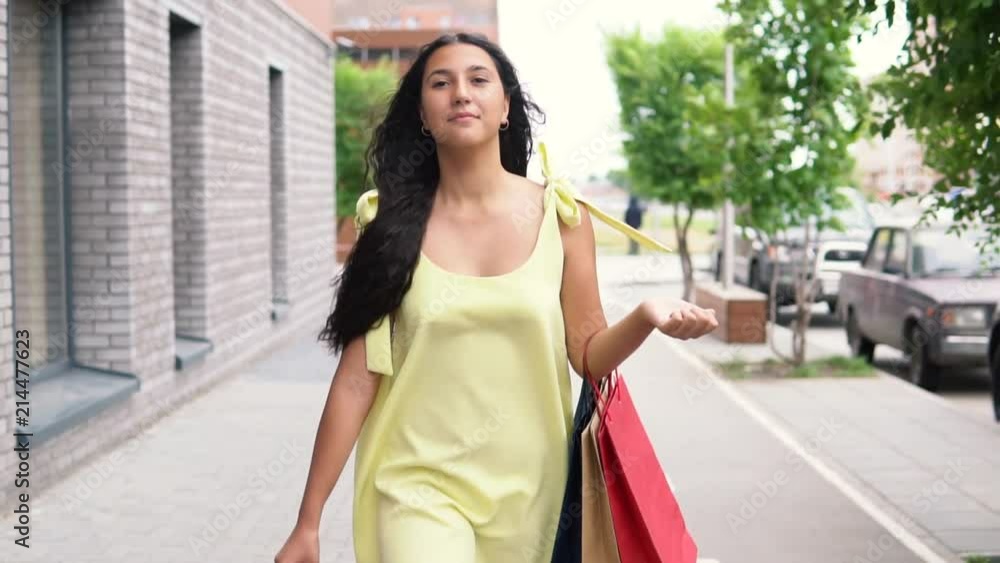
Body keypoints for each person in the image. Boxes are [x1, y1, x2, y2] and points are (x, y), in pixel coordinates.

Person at [275, 32, 718, 563]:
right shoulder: (390, 227)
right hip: (417, 485)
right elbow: (355, 377)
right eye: (441, 83)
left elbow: (587, 355)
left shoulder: (561, 218)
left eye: (478, 80)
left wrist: (645, 317)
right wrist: (308, 521)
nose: (461, 93)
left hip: (533, 492)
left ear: (505, 106)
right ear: (423, 113)